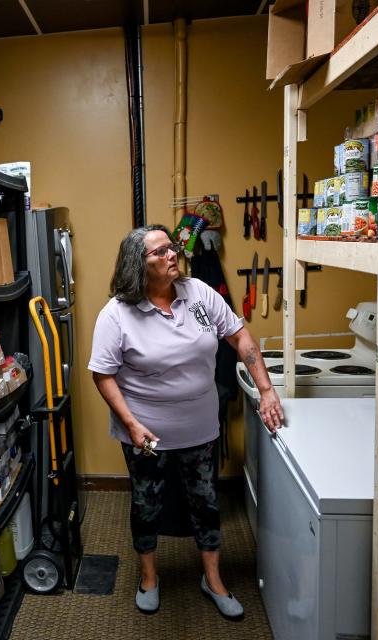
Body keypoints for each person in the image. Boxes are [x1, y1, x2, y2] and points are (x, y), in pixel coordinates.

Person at [88, 225, 284, 618]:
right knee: (147, 505)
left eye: (171, 247)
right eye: (159, 253)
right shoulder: (117, 314)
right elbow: (103, 374)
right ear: (137, 265)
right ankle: (149, 578)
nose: (171, 255)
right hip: (146, 434)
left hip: (200, 429)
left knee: (206, 503)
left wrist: (266, 390)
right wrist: (129, 424)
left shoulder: (199, 294)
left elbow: (241, 338)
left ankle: (212, 579)